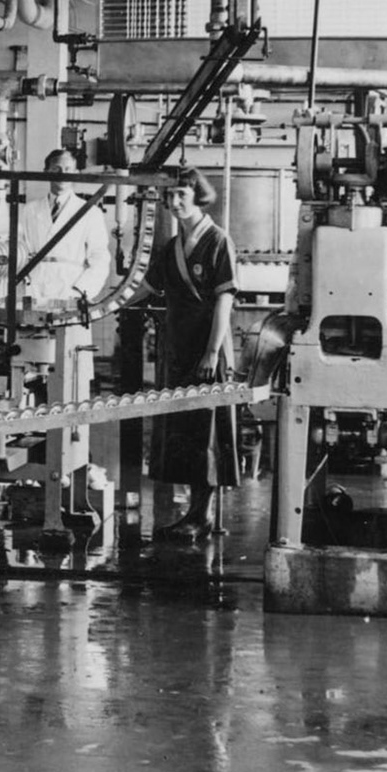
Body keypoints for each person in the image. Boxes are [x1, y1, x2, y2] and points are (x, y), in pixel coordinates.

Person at [145, 168, 239, 539]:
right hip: (178, 346)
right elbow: (147, 286)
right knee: (182, 430)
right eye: (170, 196)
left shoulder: (218, 241)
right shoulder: (172, 247)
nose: (175, 202)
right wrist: (104, 305)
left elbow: (225, 301)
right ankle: (195, 513)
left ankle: (202, 515)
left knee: (207, 428)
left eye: (182, 194)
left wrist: (212, 352)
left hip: (206, 347)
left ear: (198, 195)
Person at [15, 148, 112, 307]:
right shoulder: (28, 211)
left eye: (68, 169)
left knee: (66, 330)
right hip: (33, 291)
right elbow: (18, 249)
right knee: (31, 331)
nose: (62, 174)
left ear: (76, 173)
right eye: (56, 169)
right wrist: (23, 283)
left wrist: (81, 290)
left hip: (71, 292)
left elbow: (100, 258)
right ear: (46, 172)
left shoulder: (91, 213)